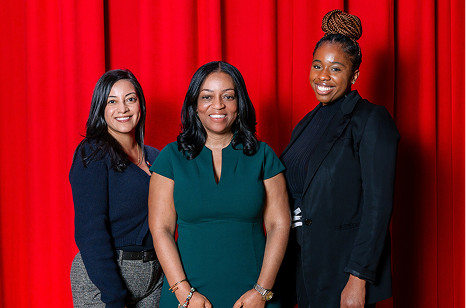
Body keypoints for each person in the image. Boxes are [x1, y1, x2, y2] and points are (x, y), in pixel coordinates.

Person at [280, 10, 400, 308]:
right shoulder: (307, 123)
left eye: (336, 68)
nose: (323, 76)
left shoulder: (371, 119)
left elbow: (378, 206)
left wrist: (358, 278)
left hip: (341, 273)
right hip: (302, 268)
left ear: (354, 75)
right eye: (318, 65)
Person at [148, 61, 290, 308]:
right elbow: (161, 228)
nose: (218, 105)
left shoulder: (263, 155)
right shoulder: (170, 157)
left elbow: (279, 224)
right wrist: (184, 293)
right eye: (207, 97)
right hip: (186, 298)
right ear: (194, 106)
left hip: (254, 297)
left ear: (240, 103)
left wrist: (262, 291)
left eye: (228, 96)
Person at [69, 69, 163, 308]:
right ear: (101, 108)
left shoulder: (157, 157)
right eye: (112, 101)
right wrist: (114, 297)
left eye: (130, 99)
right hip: (105, 281)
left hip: (154, 277)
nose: (123, 108)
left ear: (140, 104)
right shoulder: (93, 153)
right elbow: (91, 232)